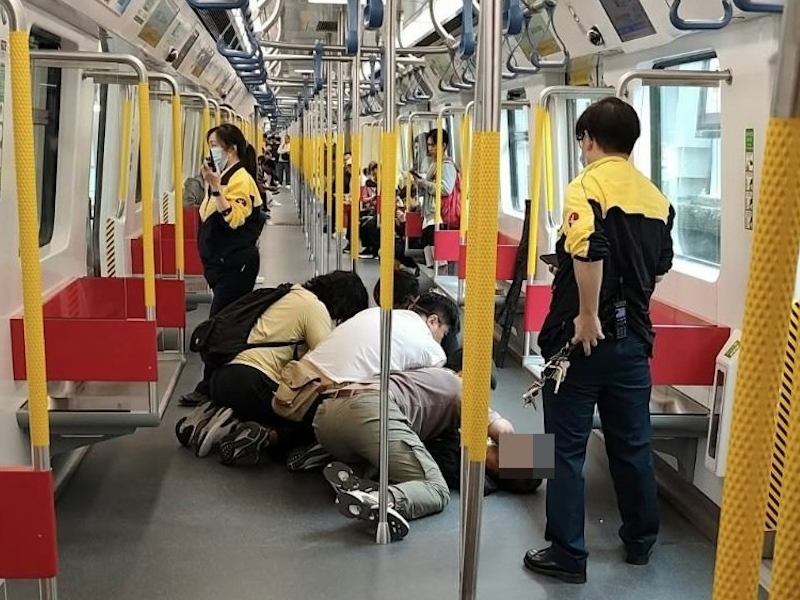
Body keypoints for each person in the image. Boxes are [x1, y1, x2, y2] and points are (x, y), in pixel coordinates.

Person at [523, 97, 674, 584]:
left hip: (581, 341)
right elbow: (660, 267)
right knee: (632, 445)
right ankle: (640, 542)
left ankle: (568, 554)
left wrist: (588, 314)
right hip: (634, 341)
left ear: (588, 140)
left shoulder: (584, 186)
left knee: (564, 449)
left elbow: (589, 248)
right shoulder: (657, 199)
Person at [218, 291, 460, 465]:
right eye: (443, 334)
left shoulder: (375, 313)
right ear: (433, 321)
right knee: (354, 416)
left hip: (292, 387)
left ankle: (265, 435)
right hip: (327, 401)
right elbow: (429, 387)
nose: (441, 341)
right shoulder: (430, 349)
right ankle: (284, 441)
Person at [175, 271, 369, 458]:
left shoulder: (290, 294)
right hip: (250, 382)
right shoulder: (314, 307)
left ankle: (216, 415)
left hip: (220, 377)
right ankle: (256, 435)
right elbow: (328, 361)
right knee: (316, 416)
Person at [314, 367, 515, 540]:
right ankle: (376, 500)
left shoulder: (433, 375)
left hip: (326, 418)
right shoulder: (463, 389)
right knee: (436, 489)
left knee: (395, 458)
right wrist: (528, 458)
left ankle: (350, 473)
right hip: (372, 412)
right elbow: (504, 432)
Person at [179, 124, 265, 408]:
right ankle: (220, 384)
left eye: (215, 145)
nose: (211, 151)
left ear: (231, 150)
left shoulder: (240, 181)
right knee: (226, 324)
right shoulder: (225, 178)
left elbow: (233, 219)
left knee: (218, 326)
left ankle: (209, 387)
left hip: (236, 266)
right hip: (224, 265)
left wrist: (215, 188)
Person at [410, 129, 458, 269]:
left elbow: (446, 189)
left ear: (443, 145)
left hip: (438, 214)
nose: (430, 148)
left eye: (433, 145)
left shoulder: (446, 166)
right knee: (428, 249)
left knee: (437, 254)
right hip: (430, 212)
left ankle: (440, 275)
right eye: (429, 145)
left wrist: (424, 183)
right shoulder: (435, 164)